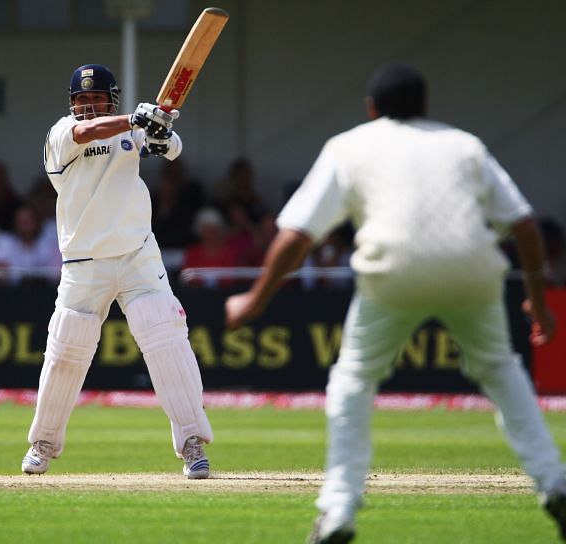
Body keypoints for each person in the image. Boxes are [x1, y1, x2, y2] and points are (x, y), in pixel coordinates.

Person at [224, 63, 566, 543]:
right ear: (426, 106)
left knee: (354, 378)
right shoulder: (463, 144)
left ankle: (339, 507)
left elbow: (298, 235)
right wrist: (538, 301)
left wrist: (254, 301)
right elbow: (525, 226)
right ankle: (555, 481)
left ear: (371, 109)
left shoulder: (349, 145)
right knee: (501, 369)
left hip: (392, 269)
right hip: (474, 268)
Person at [21, 64, 212, 479]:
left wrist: (160, 134)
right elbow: (86, 133)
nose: (89, 109)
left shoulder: (134, 131)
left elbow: (171, 148)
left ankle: (192, 442)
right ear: (72, 105)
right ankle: (44, 443)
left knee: (165, 337)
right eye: (82, 101)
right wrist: (133, 120)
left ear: (111, 99)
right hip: (84, 262)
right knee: (67, 347)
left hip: (138, 254)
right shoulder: (61, 134)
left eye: (97, 101)